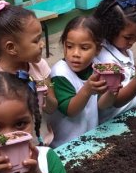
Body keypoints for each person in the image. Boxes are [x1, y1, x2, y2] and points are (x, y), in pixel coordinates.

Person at [0, 0, 57, 145]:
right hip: (5, 149)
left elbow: (52, 108)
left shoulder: (40, 66)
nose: (42, 44)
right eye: (36, 40)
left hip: (41, 144)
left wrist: (45, 96)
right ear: (11, 48)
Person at [49, 16, 114, 146]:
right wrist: (87, 89)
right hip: (65, 144)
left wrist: (113, 90)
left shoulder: (97, 67)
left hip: (90, 139)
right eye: (69, 46)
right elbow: (71, 110)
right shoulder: (60, 73)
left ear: (98, 49)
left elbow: (102, 105)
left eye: (84, 48)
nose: (75, 54)